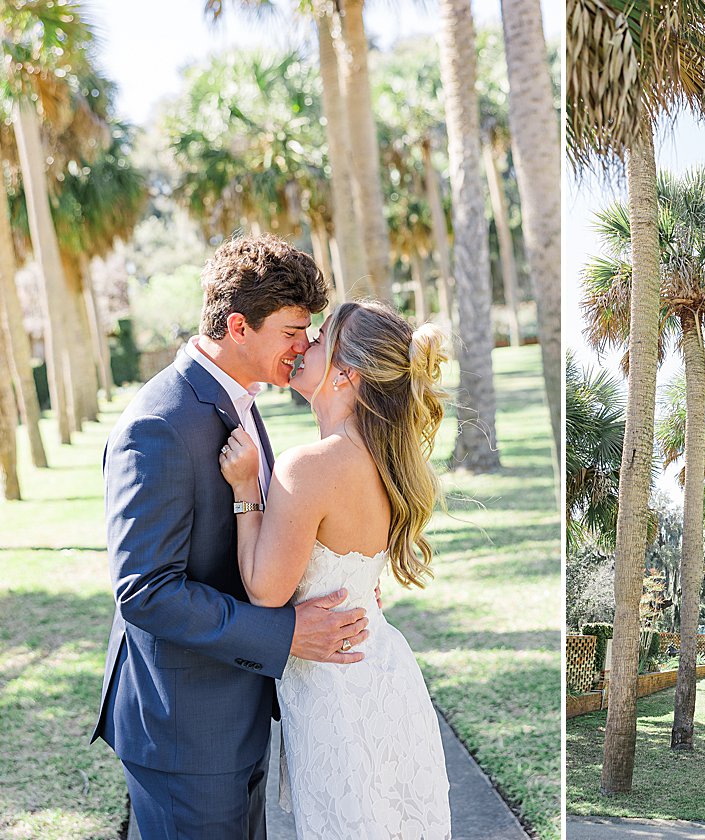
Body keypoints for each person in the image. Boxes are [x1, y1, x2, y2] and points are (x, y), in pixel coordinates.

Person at [91, 235, 371, 839]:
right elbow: (144, 591)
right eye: (293, 330)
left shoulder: (241, 400)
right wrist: (286, 632)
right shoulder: (158, 423)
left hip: (239, 711)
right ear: (239, 326)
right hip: (184, 732)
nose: (305, 347)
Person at [218, 299, 452, 837]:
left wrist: (244, 492)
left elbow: (264, 591)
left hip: (337, 691)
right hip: (383, 673)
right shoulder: (386, 460)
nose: (302, 345)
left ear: (346, 374)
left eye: (319, 339)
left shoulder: (311, 466)